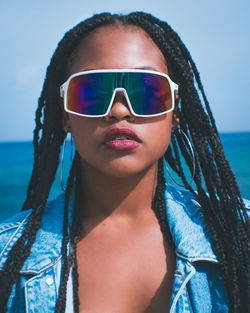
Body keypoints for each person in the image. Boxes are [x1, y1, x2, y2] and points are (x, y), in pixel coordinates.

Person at [0, 11, 249, 313]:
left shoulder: (241, 233)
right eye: (92, 92)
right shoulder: (6, 255)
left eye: (145, 91)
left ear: (176, 111)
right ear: (65, 113)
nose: (119, 110)